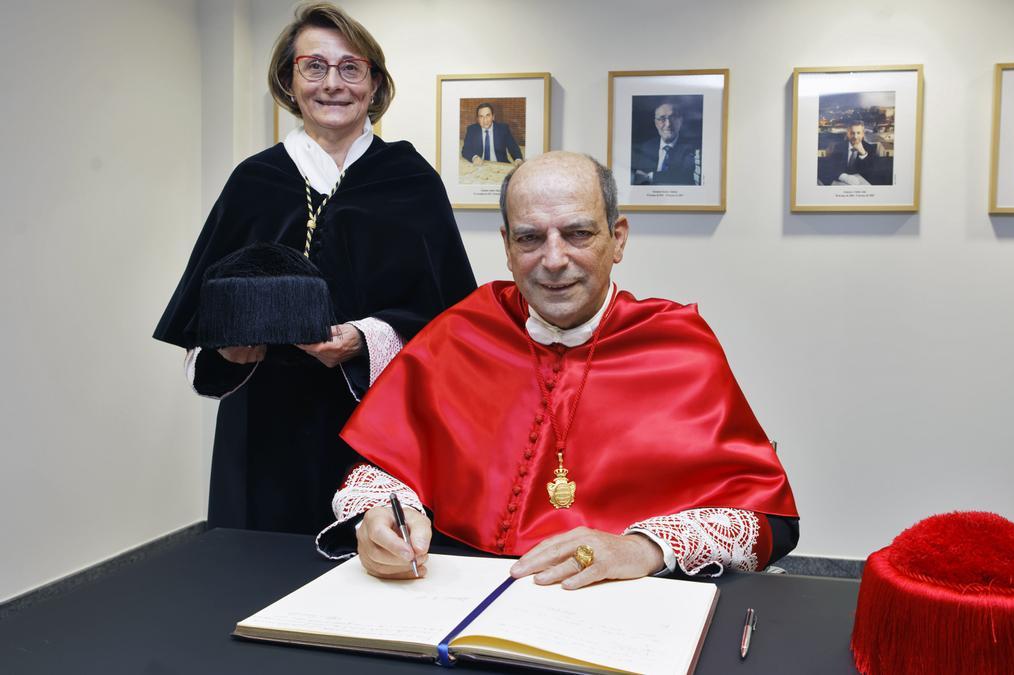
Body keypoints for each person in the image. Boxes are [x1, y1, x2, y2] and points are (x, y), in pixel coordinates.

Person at [316, 151, 798, 589]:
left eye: (578, 233)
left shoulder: (679, 344)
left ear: (618, 238)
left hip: (625, 601)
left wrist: (642, 547)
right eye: (529, 238)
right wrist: (378, 516)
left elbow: (768, 519)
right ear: (507, 247)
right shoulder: (461, 330)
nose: (553, 260)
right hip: (461, 590)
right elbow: (382, 467)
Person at [153, 2, 476, 535]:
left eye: (351, 68)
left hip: (381, 429)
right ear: (289, 78)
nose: (333, 84)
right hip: (265, 429)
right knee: (258, 587)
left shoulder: (411, 181)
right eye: (315, 66)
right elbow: (203, 322)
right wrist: (227, 350)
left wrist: (365, 338)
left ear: (374, 84)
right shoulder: (253, 182)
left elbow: (450, 322)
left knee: (378, 584)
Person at [631, 101, 701, 186]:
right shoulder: (645, 147)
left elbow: (686, 175)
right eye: (662, 118)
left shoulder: (693, 148)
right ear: (656, 123)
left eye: (673, 117)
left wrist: (650, 176)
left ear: (681, 120)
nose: (668, 124)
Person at [818, 120, 884, 186]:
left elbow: (872, 171)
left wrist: (863, 154)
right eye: (852, 133)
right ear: (848, 133)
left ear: (863, 134)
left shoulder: (869, 148)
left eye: (858, 133)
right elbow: (831, 166)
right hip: (841, 182)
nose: (855, 137)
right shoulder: (838, 147)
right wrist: (844, 177)